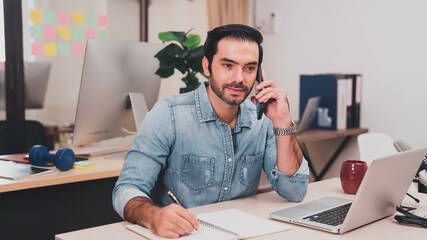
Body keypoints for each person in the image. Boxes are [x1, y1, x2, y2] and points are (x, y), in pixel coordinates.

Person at [113, 24, 309, 238]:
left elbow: (295, 191)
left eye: (249, 68)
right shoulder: (168, 115)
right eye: (228, 65)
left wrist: (282, 121)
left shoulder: (263, 119)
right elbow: (126, 189)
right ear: (207, 66)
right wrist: (153, 216)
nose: (239, 78)